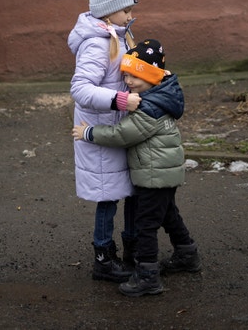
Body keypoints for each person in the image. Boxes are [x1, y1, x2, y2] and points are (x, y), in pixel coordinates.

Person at [72, 38, 202, 297]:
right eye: (126, 75)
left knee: (145, 225)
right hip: (164, 172)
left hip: (154, 175)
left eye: (135, 76)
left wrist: (89, 132)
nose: (128, 82)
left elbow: (122, 134)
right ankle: (187, 254)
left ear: (152, 77)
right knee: (168, 215)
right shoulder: (161, 96)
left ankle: (147, 276)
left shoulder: (149, 108)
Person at [67, 0, 142, 283]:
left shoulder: (117, 36)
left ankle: (133, 250)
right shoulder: (97, 43)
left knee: (132, 191)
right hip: (101, 133)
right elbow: (81, 89)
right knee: (108, 197)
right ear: (109, 10)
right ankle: (103, 258)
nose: (131, 14)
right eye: (126, 9)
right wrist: (122, 101)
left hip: (118, 131)